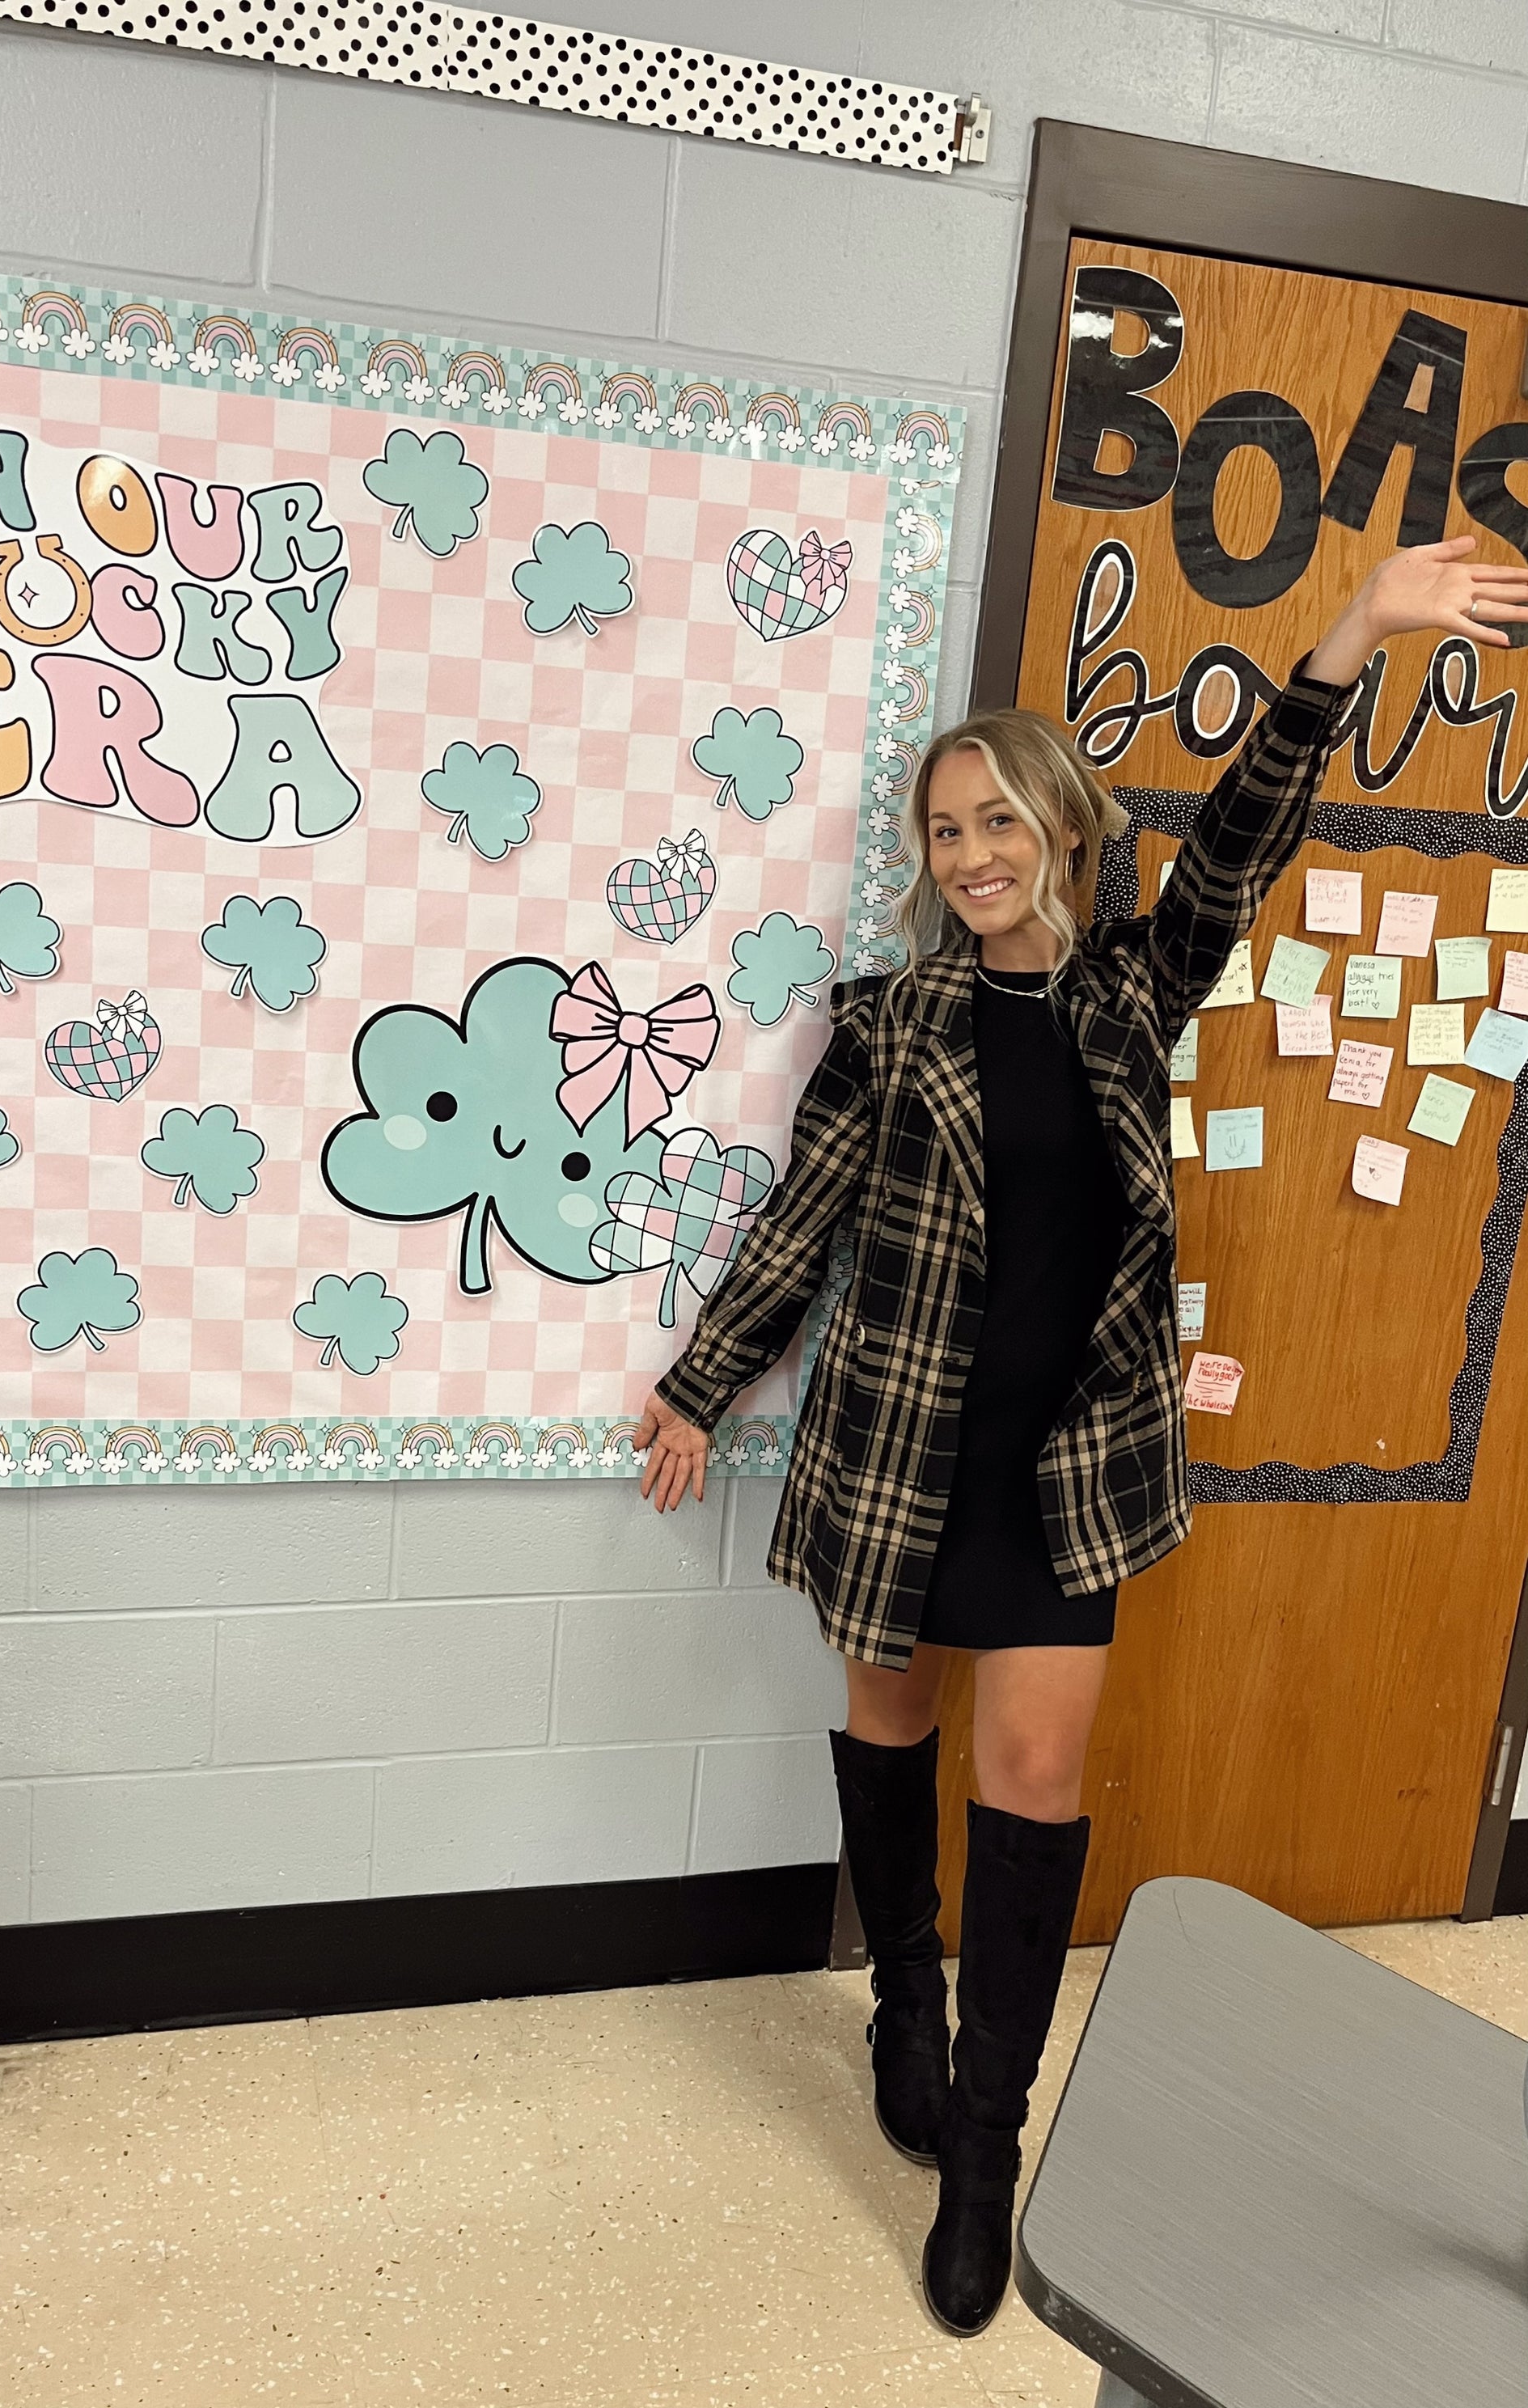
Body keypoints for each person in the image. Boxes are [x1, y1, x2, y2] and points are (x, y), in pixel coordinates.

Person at [633, 538, 1528, 2337]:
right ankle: (900, 1998)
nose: (968, 853)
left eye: (995, 820)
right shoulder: (889, 1022)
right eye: (942, 830)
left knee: (1032, 1785)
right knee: (890, 1737)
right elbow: (804, 1218)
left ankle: (985, 2150)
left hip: (1067, 1479)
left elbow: (1247, 836)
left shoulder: (1133, 988)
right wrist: (698, 1379)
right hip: (898, 1456)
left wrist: (1351, 633)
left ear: (1058, 826)